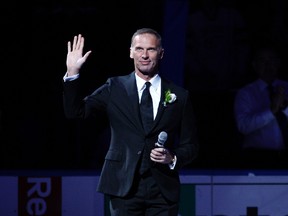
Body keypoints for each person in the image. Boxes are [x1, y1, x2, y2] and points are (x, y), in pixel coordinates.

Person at [62, 28, 198, 215]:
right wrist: (72, 73)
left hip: (162, 190)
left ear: (161, 53)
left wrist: (173, 157)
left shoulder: (180, 96)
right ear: (131, 52)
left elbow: (191, 145)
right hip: (123, 186)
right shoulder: (114, 87)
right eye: (139, 49)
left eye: (150, 49)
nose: (144, 55)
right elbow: (76, 112)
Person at [234, 44, 288, 169]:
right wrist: (271, 111)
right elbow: (244, 126)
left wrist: (284, 106)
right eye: (263, 61)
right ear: (254, 65)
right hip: (258, 156)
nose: (268, 65)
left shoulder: (286, 88)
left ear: (278, 63)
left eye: (272, 60)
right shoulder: (246, 93)